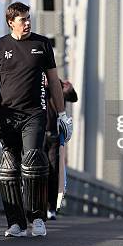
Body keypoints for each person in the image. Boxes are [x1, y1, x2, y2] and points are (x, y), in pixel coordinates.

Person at [0, 2, 73, 238]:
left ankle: (37, 218)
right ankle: (15, 222)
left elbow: (55, 82)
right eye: (23, 20)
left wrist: (62, 115)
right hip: (8, 115)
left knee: (34, 163)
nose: (28, 23)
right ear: (11, 22)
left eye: (29, 19)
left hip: (34, 114)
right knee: (9, 170)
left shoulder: (42, 44)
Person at [43, 77, 78, 220]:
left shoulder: (56, 82)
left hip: (53, 135)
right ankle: (35, 206)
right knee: (36, 171)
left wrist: (69, 89)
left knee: (53, 171)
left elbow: (73, 97)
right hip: (35, 134)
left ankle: (51, 208)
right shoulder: (32, 78)